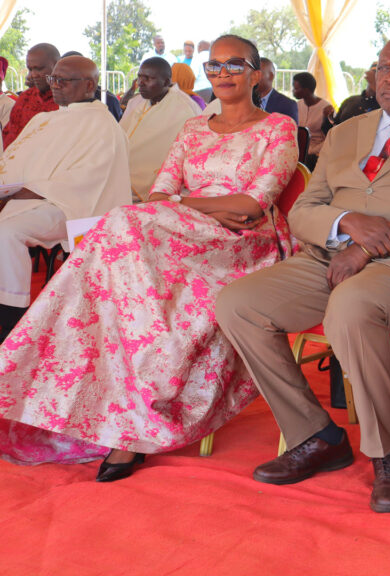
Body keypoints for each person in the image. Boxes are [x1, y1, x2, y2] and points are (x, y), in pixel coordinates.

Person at [215, 33, 390, 514]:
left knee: (351, 304)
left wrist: (366, 246)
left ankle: (387, 454)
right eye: (384, 67)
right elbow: (304, 211)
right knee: (237, 304)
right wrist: (345, 224)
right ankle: (316, 435)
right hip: (329, 258)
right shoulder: (346, 131)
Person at [0, 36, 298, 480]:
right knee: (122, 252)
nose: (222, 73)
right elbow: (160, 195)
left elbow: (253, 206)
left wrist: (187, 204)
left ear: (256, 73)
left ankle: (127, 426)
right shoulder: (194, 128)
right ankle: (111, 409)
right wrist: (201, 206)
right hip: (183, 228)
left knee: (121, 224)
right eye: (214, 66)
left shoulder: (278, 127)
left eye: (235, 65)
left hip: (243, 243)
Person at [0, 55, 131, 344]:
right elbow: (17, 160)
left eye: (63, 80)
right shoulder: (45, 119)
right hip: (30, 197)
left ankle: (10, 321)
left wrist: (25, 192)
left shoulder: (103, 125)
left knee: (6, 233)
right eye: (53, 79)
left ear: (89, 85)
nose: (55, 86)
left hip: (70, 205)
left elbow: (88, 179)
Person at [121, 58, 203, 202]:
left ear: (166, 82)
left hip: (162, 186)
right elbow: (122, 134)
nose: (140, 83)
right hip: (123, 177)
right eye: (139, 77)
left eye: (148, 78)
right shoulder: (136, 102)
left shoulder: (185, 108)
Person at [3, 43, 59, 148]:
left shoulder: (68, 99)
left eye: (39, 69)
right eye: (30, 69)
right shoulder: (25, 98)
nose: (33, 75)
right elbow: (9, 137)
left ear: (57, 65)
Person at [60, 50, 122, 121]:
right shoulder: (57, 99)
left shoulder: (108, 101)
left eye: (65, 79)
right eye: (56, 78)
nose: (57, 85)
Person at [292, 71, 333, 169]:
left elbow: (331, 137)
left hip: (317, 153)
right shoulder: (297, 105)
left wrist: (311, 151)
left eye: (296, 88)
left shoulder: (326, 108)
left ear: (306, 90)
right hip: (299, 149)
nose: (293, 91)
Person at [327, 61, 379, 128]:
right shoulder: (351, 100)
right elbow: (334, 126)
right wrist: (328, 118)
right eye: (375, 75)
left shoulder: (383, 107)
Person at [256, 57, 298, 124]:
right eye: (251, 74)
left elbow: (290, 129)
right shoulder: (244, 101)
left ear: (271, 76)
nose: (253, 77)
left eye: (258, 74)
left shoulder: (287, 105)